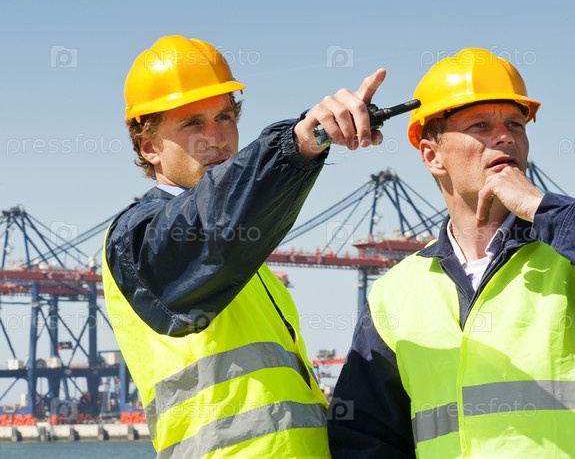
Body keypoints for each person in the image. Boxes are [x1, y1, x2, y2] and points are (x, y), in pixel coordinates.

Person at [327, 48, 575, 458]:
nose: (504, 136)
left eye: (515, 124)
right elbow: (364, 437)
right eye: (480, 125)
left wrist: (546, 210)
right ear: (432, 155)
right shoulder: (395, 294)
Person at [102, 35, 385, 458]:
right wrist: (300, 142)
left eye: (224, 117)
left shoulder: (251, 268)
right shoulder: (136, 242)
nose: (216, 137)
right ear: (150, 147)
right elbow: (210, 227)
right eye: (192, 123)